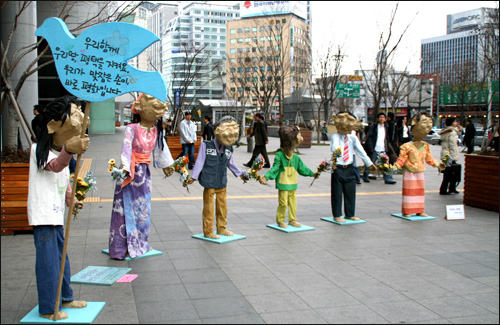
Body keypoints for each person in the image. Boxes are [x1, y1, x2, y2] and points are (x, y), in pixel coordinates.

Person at [28, 95, 90, 320]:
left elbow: (63, 180)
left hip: (56, 216)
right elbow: (55, 167)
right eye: (73, 116)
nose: (80, 120)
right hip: (43, 217)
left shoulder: (57, 152)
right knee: (48, 262)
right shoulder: (39, 149)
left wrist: (70, 197)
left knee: (62, 257)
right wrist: (69, 151)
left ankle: (65, 297)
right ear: (53, 126)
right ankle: (47, 307)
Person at [108, 94, 174, 260]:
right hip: (130, 172)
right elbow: (126, 148)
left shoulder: (156, 130)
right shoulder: (132, 128)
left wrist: (168, 166)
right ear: (140, 109)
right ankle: (123, 245)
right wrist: (124, 167)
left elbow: (161, 149)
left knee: (143, 210)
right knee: (125, 208)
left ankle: (141, 242)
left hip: (144, 174)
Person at [185, 116, 247, 239]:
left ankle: (222, 228)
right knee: (208, 208)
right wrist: (193, 177)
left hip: (221, 181)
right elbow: (200, 161)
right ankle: (208, 231)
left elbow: (231, 163)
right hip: (209, 181)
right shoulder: (206, 145)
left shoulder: (229, 148)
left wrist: (241, 174)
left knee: (223, 207)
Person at [259, 125, 318, 228]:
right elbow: (275, 168)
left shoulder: (295, 157)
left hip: (293, 184)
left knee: (293, 203)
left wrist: (312, 173)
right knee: (283, 203)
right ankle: (280, 220)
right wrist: (266, 176)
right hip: (283, 183)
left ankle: (292, 219)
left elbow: (302, 168)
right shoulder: (280, 155)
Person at [393, 112, 445, 217]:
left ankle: (419, 210)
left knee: (419, 192)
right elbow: (402, 159)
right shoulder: (406, 146)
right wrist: (395, 166)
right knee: (409, 192)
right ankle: (407, 210)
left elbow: (429, 158)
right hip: (409, 172)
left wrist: (438, 164)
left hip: (420, 172)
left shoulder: (425, 145)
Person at [330, 112, 376, 223]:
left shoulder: (352, 138)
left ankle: (350, 214)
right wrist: (337, 152)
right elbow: (335, 147)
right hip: (338, 167)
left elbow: (361, 151)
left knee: (350, 191)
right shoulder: (335, 136)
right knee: (337, 193)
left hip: (349, 167)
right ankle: (337, 214)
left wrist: (369, 163)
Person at [362, 112, 397, 184]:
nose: (382, 119)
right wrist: (371, 147)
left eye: (383, 117)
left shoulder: (386, 127)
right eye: (380, 117)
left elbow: (387, 138)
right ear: (378, 119)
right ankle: (365, 176)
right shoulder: (374, 127)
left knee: (385, 164)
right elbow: (369, 138)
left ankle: (388, 179)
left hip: (383, 149)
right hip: (375, 149)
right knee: (370, 163)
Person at [439, 117, 461, 195]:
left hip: (446, 154)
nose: (456, 123)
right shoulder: (452, 132)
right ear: (452, 123)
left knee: (449, 172)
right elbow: (452, 145)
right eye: (455, 121)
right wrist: (453, 155)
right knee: (450, 172)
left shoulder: (446, 132)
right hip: (450, 155)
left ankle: (449, 188)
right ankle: (447, 189)